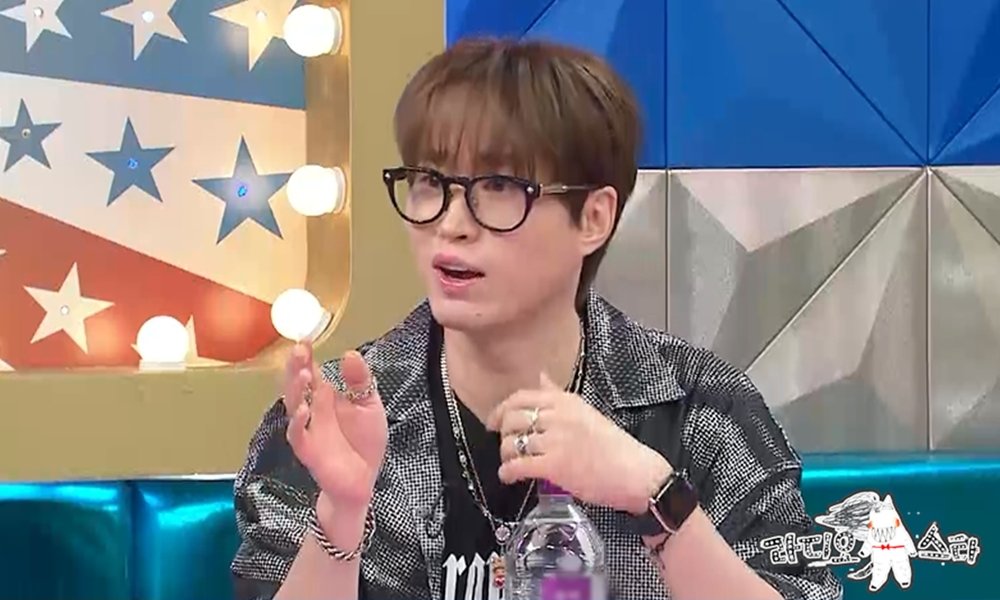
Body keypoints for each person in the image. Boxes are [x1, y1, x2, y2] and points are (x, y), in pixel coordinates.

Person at [230, 37, 844, 600]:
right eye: (429, 182)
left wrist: (657, 499)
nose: (451, 223)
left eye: (498, 187)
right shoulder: (332, 419)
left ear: (594, 218)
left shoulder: (700, 411)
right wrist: (340, 514)